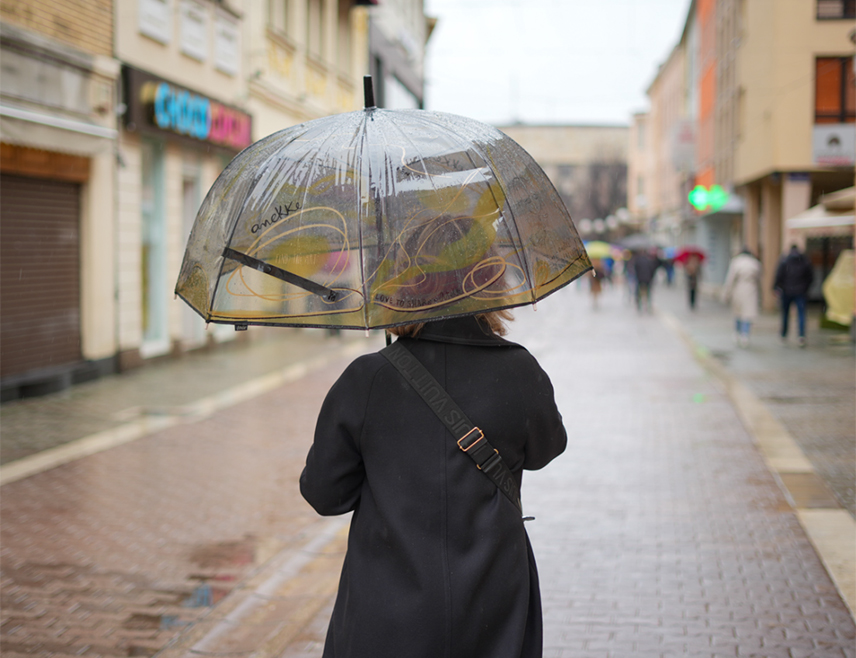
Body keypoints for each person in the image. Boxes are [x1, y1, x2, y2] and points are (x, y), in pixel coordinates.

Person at [300, 311, 567, 658]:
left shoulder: (367, 377)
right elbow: (546, 448)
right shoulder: (519, 368)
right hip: (492, 595)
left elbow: (325, 494)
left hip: (385, 604)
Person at [773, 244, 814, 347]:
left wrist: (776, 287)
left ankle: (784, 333)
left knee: (785, 314)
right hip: (801, 292)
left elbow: (779, 275)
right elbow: (811, 277)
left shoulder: (785, 260)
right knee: (801, 314)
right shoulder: (805, 261)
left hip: (787, 291)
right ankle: (801, 335)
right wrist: (805, 288)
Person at [722, 247, 761, 347]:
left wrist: (726, 293)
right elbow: (759, 278)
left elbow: (730, 279)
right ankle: (745, 335)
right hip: (751, 289)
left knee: (738, 313)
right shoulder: (755, 263)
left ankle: (737, 333)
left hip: (738, 289)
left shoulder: (736, 262)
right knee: (747, 314)